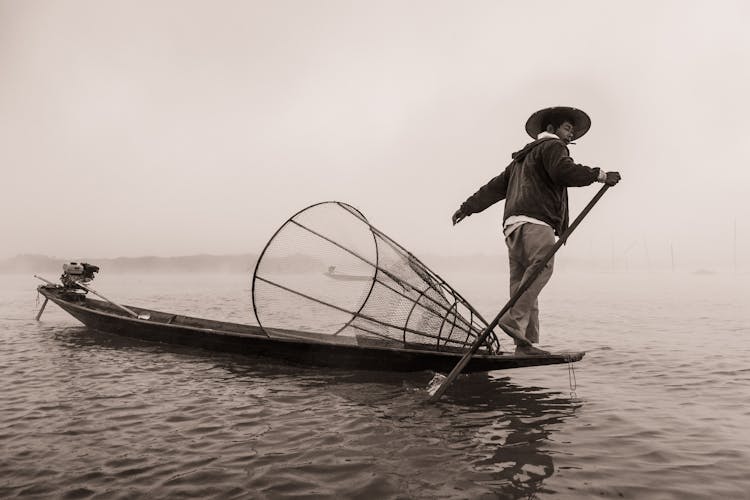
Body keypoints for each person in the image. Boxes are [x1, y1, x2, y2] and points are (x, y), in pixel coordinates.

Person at [451, 106, 621, 355]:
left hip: (512, 228)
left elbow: (494, 188)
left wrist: (467, 208)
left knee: (524, 283)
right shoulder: (553, 147)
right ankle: (513, 319)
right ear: (551, 129)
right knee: (542, 268)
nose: (570, 135)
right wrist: (600, 175)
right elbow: (563, 171)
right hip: (536, 221)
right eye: (567, 128)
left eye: (572, 131)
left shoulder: (521, 159)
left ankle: (524, 343)